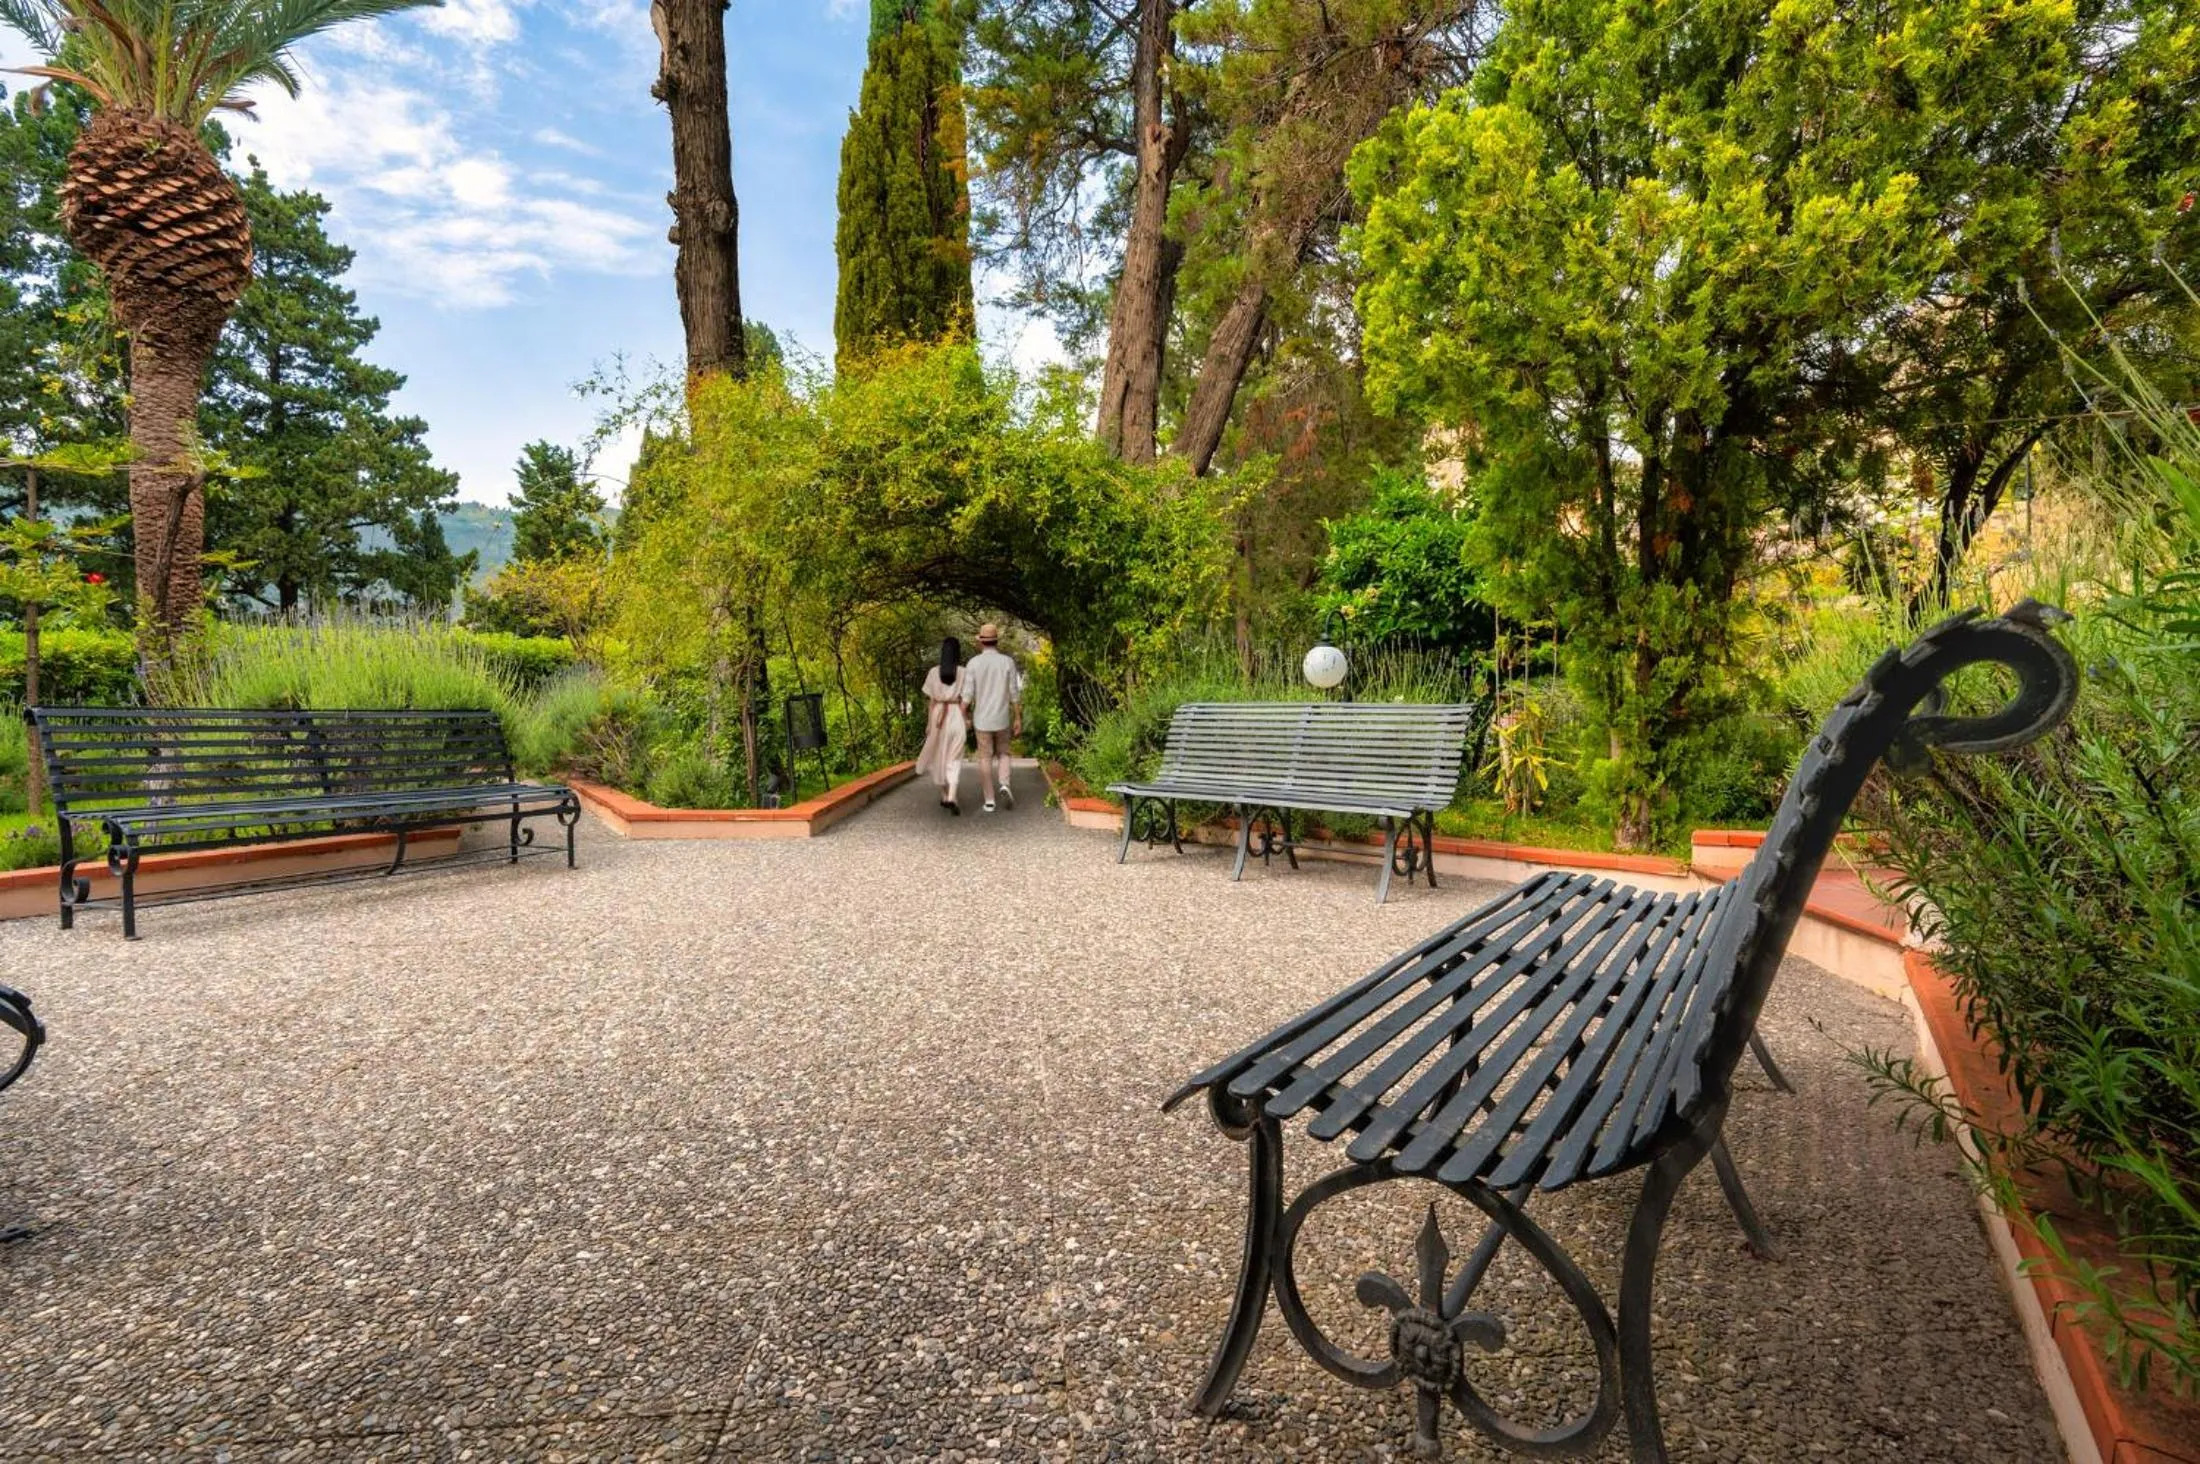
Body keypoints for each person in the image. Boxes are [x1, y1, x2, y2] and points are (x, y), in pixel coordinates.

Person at [960, 623, 1022, 813]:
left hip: (982, 721)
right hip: (1002, 718)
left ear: (981, 642)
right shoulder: (1007, 662)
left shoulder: (973, 664)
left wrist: (962, 716)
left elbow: (967, 696)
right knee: (1004, 753)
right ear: (997, 641)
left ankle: (989, 800)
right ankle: (1004, 783)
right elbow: (1014, 694)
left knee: (985, 758)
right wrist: (1018, 718)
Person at [915, 637, 968, 814]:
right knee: (954, 757)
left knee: (937, 757)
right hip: (956, 715)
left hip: (939, 716)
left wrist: (929, 723)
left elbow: (931, 702)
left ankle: (944, 794)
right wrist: (966, 719)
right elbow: (965, 701)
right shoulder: (963, 672)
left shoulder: (933, 672)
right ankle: (952, 794)